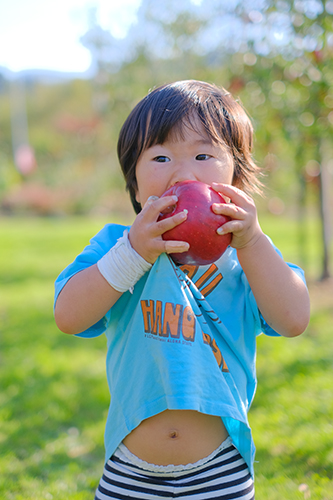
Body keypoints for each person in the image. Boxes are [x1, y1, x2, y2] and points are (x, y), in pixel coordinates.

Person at [54, 80, 310, 499]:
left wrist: (253, 242)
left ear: (237, 179)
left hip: (219, 469)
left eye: (204, 155)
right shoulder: (116, 248)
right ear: (136, 187)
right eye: (160, 156)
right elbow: (69, 315)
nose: (184, 173)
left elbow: (294, 319)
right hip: (130, 470)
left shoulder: (248, 258)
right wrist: (132, 253)